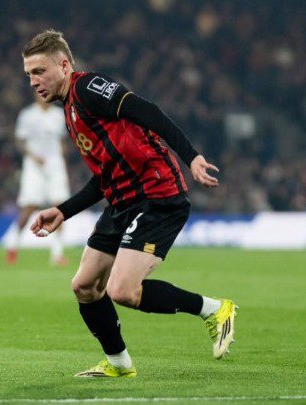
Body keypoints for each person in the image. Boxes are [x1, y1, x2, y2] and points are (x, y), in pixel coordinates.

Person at [23, 30, 236, 377]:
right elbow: (103, 177)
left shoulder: (87, 88)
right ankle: (120, 365)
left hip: (156, 197)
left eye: (39, 71)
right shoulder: (70, 110)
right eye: (29, 74)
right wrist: (63, 211)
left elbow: (147, 110)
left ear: (63, 65)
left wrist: (191, 156)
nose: (33, 81)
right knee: (84, 286)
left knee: (122, 290)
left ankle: (214, 310)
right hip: (122, 201)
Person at [5, 95, 70, 266]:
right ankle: (13, 245)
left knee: (60, 207)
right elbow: (20, 142)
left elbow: (62, 139)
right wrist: (33, 156)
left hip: (54, 164)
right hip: (34, 165)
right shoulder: (27, 115)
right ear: (35, 96)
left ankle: (57, 254)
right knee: (30, 207)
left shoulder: (58, 115)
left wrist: (60, 155)